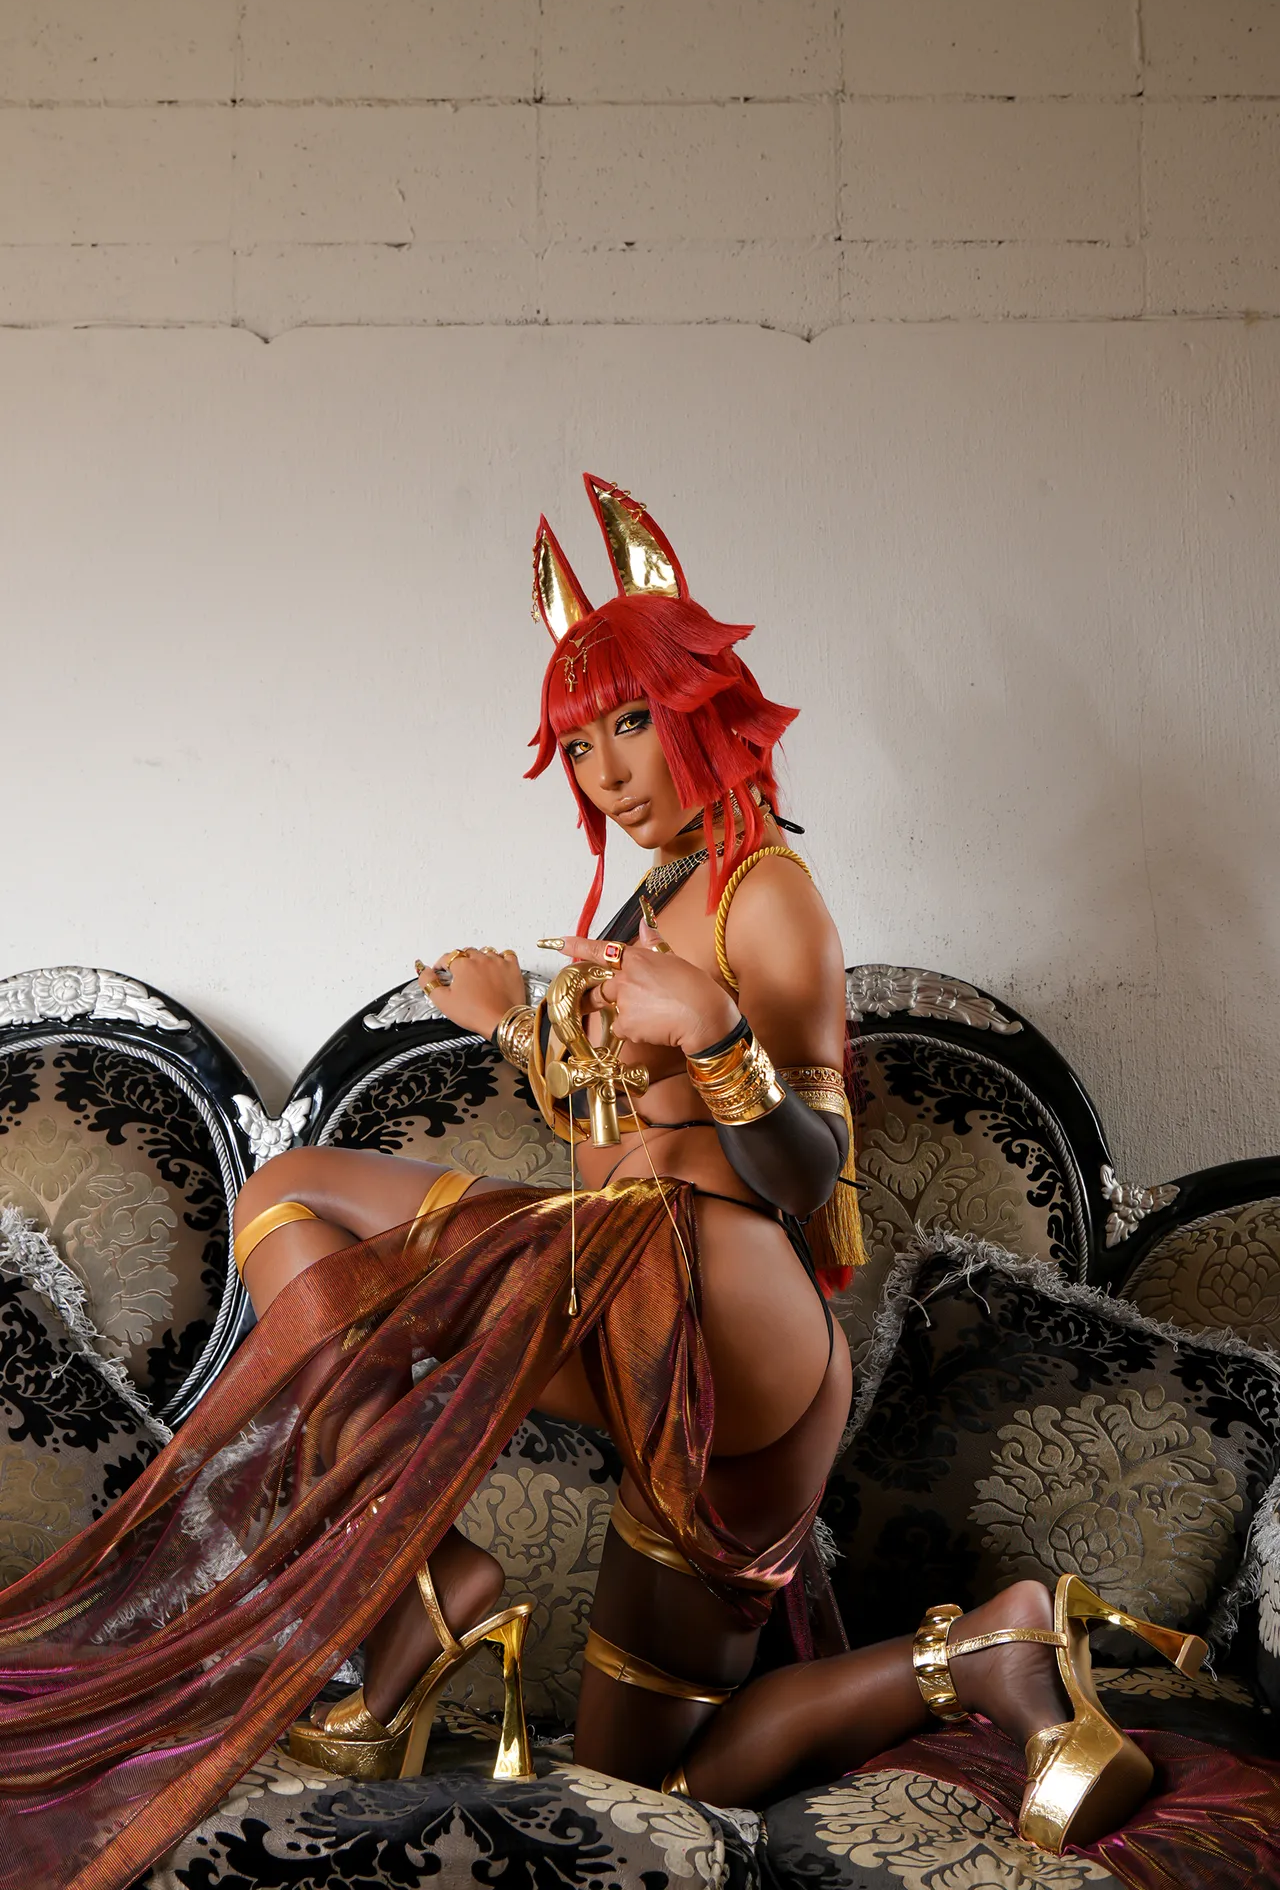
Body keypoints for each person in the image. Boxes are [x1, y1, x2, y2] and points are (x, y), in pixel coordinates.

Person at [0, 477, 1201, 1890]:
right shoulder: (661, 897)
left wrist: (723, 1034)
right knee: (655, 1779)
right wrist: (508, 1026)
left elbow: (811, 1171)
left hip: (717, 1299)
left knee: (289, 1198)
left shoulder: (765, 892)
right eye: (579, 745)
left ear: (705, 706)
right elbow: (620, 1134)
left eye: (630, 722)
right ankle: (987, 1654)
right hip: (684, 1345)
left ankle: (426, 1589)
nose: (609, 773)